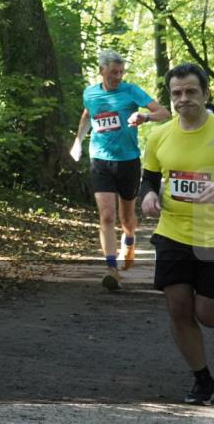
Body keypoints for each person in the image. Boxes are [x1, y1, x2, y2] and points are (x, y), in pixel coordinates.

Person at [140, 62, 214, 405]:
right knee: (178, 308)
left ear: (205, 94)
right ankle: (202, 380)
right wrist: (149, 193)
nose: (183, 99)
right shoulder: (159, 134)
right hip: (172, 231)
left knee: (206, 313)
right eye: (176, 93)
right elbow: (149, 176)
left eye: (191, 92)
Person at [70, 50, 169, 289]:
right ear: (101, 70)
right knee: (106, 215)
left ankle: (130, 240)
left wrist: (144, 117)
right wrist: (78, 142)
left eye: (121, 72)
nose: (118, 76)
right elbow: (87, 116)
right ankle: (112, 269)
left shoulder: (131, 91)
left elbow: (164, 113)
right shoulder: (90, 93)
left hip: (128, 161)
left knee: (126, 218)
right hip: (99, 160)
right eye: (114, 72)